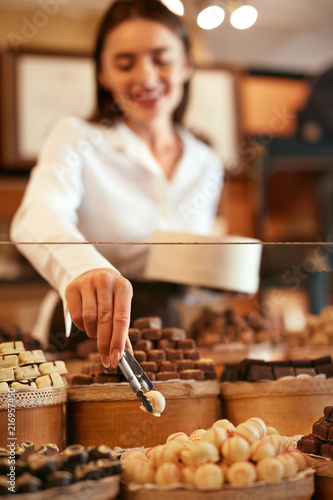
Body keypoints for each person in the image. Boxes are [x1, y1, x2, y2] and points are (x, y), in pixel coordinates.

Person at [10, 0, 223, 369]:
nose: (146, 76)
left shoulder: (206, 162)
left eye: (161, 59)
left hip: (171, 337)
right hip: (87, 333)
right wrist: (84, 267)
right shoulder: (76, 137)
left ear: (186, 64)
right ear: (104, 75)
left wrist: (219, 274)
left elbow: (188, 267)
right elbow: (37, 213)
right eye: (125, 63)